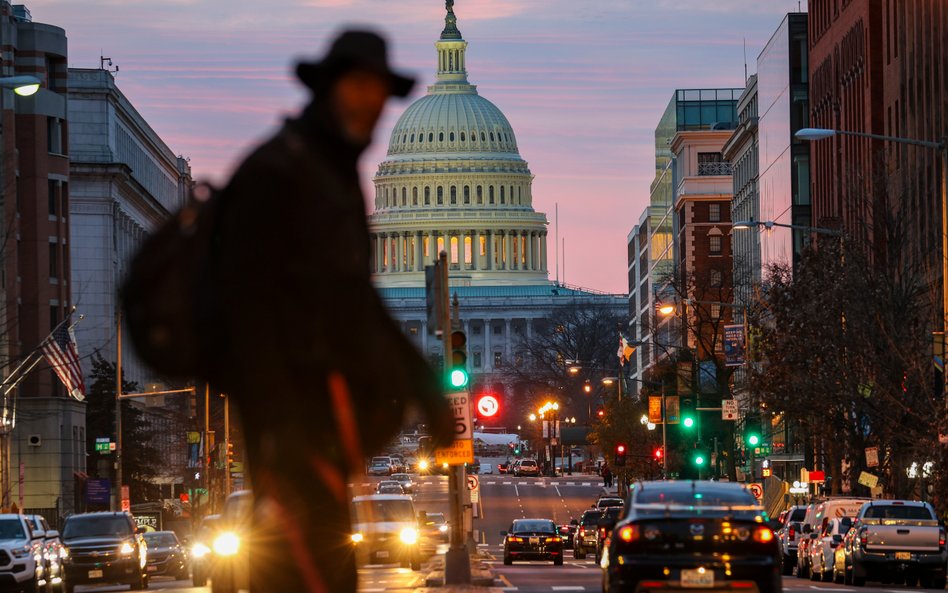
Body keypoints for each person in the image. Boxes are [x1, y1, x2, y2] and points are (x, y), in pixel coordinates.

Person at [208, 30, 453, 593]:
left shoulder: (330, 171)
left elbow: (354, 298)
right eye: (359, 87)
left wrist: (426, 390)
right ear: (330, 88)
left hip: (318, 417)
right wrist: (278, 416)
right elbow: (246, 304)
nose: (372, 105)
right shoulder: (284, 172)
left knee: (327, 563)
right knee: (299, 566)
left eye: (379, 93)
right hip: (290, 417)